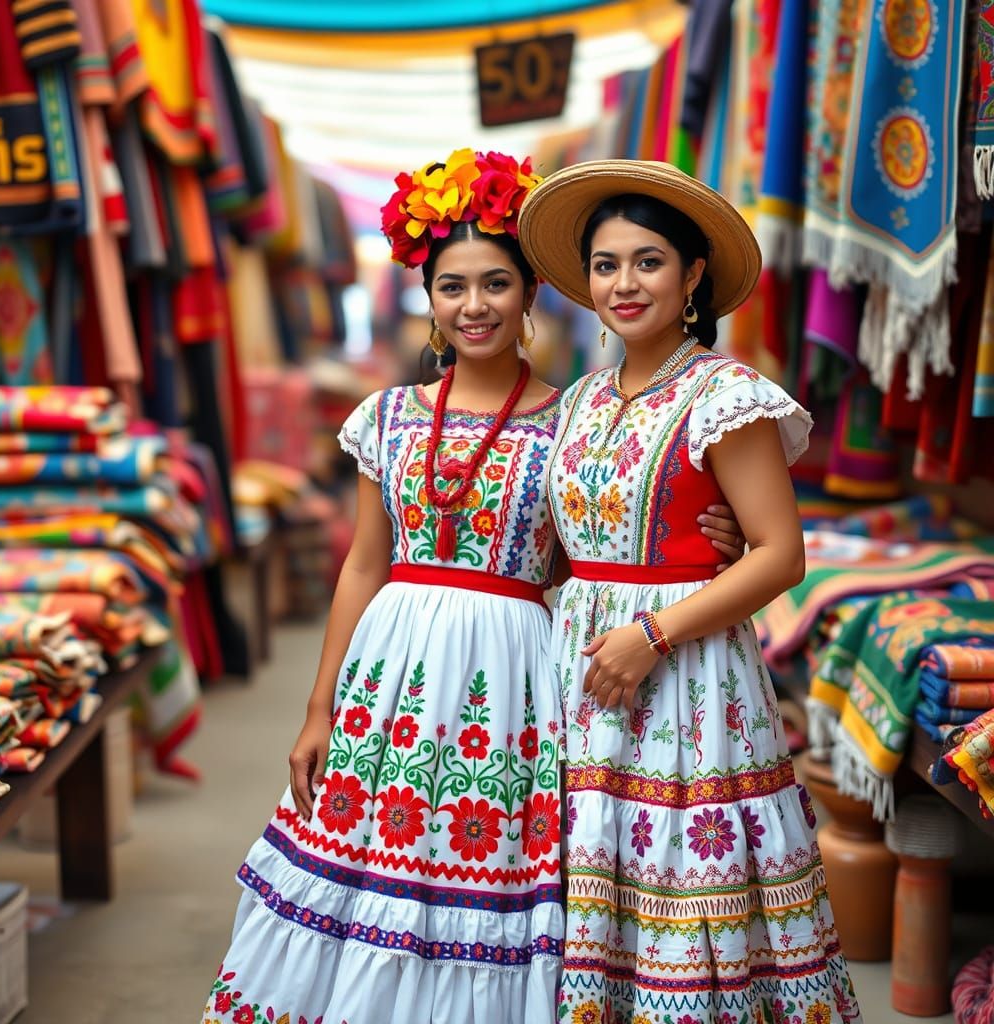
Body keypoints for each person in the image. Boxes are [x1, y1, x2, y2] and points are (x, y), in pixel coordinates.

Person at [200, 150, 745, 1024]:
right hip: (391, 677)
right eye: (452, 286)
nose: (475, 305)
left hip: (517, 680)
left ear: (532, 294)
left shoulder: (578, 414)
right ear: (427, 298)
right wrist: (318, 705)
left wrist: (713, 538)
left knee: (483, 875)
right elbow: (363, 564)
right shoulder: (385, 418)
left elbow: (615, 535)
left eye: (496, 283)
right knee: (374, 861)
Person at [518, 160, 862, 1024]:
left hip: (690, 683)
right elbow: (571, 548)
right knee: (593, 883)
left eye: (648, 262)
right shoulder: (580, 401)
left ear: (694, 275)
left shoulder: (727, 396)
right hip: (582, 677)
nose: (623, 284)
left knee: (683, 878)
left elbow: (782, 555)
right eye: (605, 265)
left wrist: (653, 634)